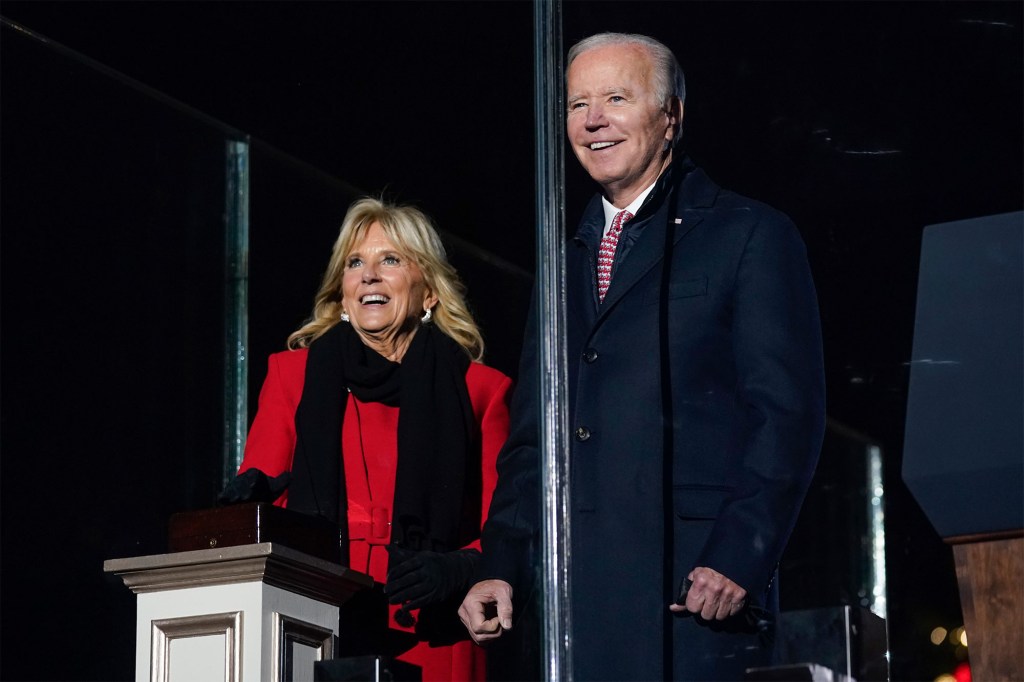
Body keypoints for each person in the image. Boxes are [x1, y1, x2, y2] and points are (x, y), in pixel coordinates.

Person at [459, 33, 825, 681]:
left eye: (616, 98)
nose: (593, 119)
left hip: (695, 596)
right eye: (577, 104)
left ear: (672, 116)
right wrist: (501, 565)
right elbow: (531, 440)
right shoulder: (561, 260)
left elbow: (786, 416)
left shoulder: (749, 234)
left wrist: (740, 555)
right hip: (571, 605)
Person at [224, 197, 512, 681]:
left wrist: (458, 570)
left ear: (429, 293)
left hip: (433, 624)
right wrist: (242, 506)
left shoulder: (481, 390)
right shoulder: (292, 376)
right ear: (342, 291)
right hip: (313, 618)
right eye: (355, 263)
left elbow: (507, 528)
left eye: (391, 260)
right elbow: (258, 499)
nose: (370, 275)